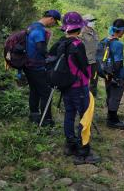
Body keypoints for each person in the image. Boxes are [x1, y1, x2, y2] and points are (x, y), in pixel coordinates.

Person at [50, 12, 100, 165]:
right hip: (79, 87)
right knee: (85, 117)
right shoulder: (78, 45)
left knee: (69, 115)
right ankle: (83, 151)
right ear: (79, 28)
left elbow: (51, 56)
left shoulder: (61, 42)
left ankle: (70, 144)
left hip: (66, 86)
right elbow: (85, 67)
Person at [24, 9, 61, 126]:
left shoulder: (31, 26)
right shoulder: (39, 30)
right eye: (54, 22)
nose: (53, 25)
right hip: (36, 67)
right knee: (46, 92)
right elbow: (41, 48)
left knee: (34, 90)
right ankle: (46, 120)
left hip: (27, 65)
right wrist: (49, 57)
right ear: (51, 19)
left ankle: (34, 115)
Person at [104, 19, 124, 130]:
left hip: (106, 74)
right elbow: (118, 62)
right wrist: (116, 77)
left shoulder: (104, 40)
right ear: (121, 30)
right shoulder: (118, 44)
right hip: (116, 75)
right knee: (116, 97)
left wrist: (109, 74)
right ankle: (112, 121)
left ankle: (111, 116)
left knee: (110, 95)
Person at [79, 14, 100, 97]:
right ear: (85, 22)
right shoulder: (81, 33)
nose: (93, 22)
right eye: (91, 21)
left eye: (93, 21)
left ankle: (92, 95)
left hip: (94, 60)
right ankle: (82, 94)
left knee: (94, 78)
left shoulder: (94, 32)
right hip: (85, 60)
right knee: (83, 79)